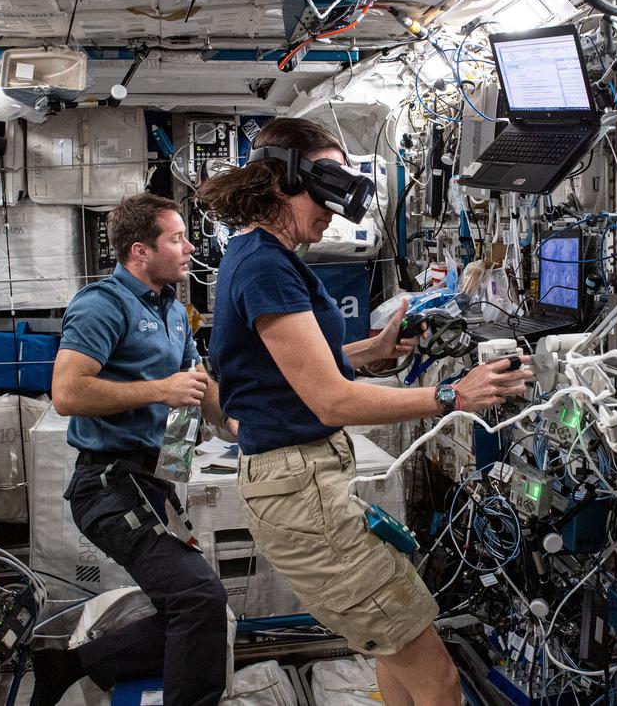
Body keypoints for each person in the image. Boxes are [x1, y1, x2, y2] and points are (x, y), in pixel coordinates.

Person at [199, 118, 533, 706]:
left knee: (389, 645)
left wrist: (368, 352)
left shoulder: (260, 254)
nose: (333, 212)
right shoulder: (265, 265)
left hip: (307, 486)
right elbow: (329, 398)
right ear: (284, 179)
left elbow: (281, 368)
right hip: (304, 493)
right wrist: (453, 396)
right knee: (437, 676)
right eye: (325, 186)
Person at [32, 193, 230, 706]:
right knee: (198, 597)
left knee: (193, 611)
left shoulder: (174, 310)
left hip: (151, 481)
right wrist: (159, 389)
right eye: (177, 238)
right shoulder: (102, 304)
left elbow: (193, 387)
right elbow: (68, 394)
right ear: (140, 251)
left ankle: (67, 666)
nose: (190, 248)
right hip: (108, 485)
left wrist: (234, 430)